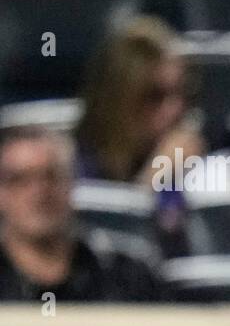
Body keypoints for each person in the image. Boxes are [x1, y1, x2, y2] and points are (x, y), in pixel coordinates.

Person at [75, 16, 205, 258]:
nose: (175, 110)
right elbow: (106, 252)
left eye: (182, 93)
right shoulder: (75, 163)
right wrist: (153, 177)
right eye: (155, 96)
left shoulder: (194, 163)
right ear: (116, 98)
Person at [0, 126, 165, 302]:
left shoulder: (126, 275)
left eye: (51, 176)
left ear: (72, 182)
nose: (39, 193)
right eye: (19, 179)